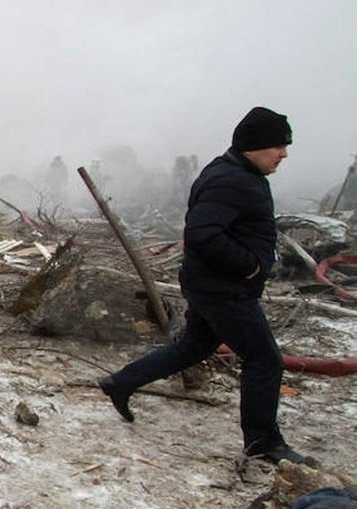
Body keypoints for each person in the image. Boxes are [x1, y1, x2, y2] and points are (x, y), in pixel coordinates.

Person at [98, 106, 306, 464]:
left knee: (193, 347)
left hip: (212, 286)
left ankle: (122, 382)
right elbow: (202, 234)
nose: (283, 154)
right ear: (255, 145)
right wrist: (249, 265)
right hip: (225, 291)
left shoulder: (236, 173)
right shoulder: (232, 180)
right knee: (264, 360)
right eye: (278, 146)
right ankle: (262, 442)